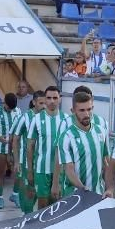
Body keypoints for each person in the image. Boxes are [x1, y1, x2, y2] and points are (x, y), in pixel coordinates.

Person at [20, 84, 69, 212]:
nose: (52, 101)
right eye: (49, 98)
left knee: (57, 206)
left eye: (55, 97)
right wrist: (30, 171)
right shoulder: (36, 119)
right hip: (42, 170)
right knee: (42, 206)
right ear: (45, 99)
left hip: (61, 171)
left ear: (60, 99)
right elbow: (29, 147)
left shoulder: (67, 120)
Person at [60, 86, 109, 195]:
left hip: (97, 193)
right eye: (82, 110)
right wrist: (83, 189)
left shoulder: (101, 131)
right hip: (73, 194)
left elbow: (106, 163)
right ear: (73, 111)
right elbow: (69, 169)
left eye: (89, 109)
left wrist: (110, 188)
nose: (87, 114)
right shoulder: (66, 136)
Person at [0, 91, 22, 210]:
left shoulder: (18, 111)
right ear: (4, 103)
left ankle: (15, 194)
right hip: (1, 148)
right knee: (0, 173)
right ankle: (0, 198)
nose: (11, 110)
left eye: (13, 108)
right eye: (9, 107)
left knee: (18, 172)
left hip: (15, 148)